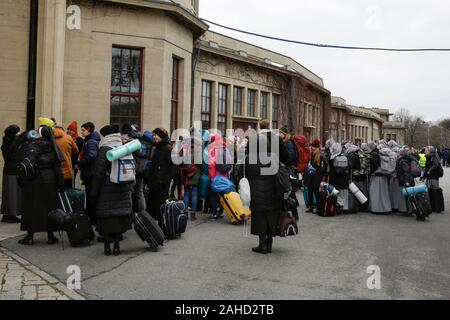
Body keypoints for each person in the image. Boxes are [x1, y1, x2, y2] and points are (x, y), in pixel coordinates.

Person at [18, 125, 64, 245]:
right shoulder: (53, 146)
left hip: (33, 180)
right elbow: (57, 168)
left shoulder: (31, 146)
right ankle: (50, 236)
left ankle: (30, 236)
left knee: (31, 207)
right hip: (50, 180)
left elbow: (24, 163)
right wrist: (61, 184)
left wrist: (21, 180)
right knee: (49, 208)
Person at [91, 125, 133, 256]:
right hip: (123, 186)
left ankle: (107, 245)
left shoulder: (104, 149)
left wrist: (94, 191)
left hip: (107, 186)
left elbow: (98, 172)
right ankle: (117, 245)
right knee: (119, 216)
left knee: (107, 217)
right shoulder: (124, 147)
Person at [245, 132, 280, 254]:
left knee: (259, 218)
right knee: (271, 217)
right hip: (272, 193)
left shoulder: (249, 159)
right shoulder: (274, 157)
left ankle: (262, 244)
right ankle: (269, 243)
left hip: (256, 193)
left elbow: (243, 176)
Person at [146, 128, 173, 230]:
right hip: (154, 182)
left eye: (156, 135)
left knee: (161, 206)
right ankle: (156, 227)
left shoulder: (167, 148)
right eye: (153, 135)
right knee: (154, 206)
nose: (154, 137)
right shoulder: (157, 147)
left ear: (161, 136)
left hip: (161, 184)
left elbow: (173, 167)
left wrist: (164, 181)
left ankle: (163, 227)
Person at [77, 122, 101, 226]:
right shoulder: (91, 140)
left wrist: (80, 163)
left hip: (90, 173)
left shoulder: (90, 142)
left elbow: (92, 156)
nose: (81, 132)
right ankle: (93, 217)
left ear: (89, 129)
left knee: (91, 197)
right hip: (91, 172)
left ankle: (92, 219)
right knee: (92, 197)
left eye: (83, 130)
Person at [1, 125, 22, 223]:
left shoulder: (6, 142)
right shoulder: (13, 142)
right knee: (13, 193)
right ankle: (12, 214)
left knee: (7, 193)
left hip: (7, 170)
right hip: (13, 170)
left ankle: (6, 213)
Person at [207, 133, 231, 220]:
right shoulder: (225, 148)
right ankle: (220, 212)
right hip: (224, 175)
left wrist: (212, 177)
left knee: (213, 195)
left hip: (215, 175)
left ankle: (215, 213)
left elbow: (211, 164)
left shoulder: (213, 149)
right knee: (222, 194)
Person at [180, 136, 202, 221]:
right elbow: (200, 163)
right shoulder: (198, 149)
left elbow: (180, 160)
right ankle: (193, 214)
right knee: (194, 194)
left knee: (186, 194)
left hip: (186, 172)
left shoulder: (184, 148)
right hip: (195, 171)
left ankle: (185, 213)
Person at [368, 142, 392, 214]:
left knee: (375, 192)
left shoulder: (375, 154)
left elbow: (375, 165)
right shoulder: (385, 155)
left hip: (376, 176)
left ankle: (376, 208)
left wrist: (370, 171)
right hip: (383, 175)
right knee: (384, 193)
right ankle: (385, 208)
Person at [329, 142, 350, 213]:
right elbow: (348, 167)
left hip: (335, 179)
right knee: (344, 194)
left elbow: (330, 170)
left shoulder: (332, 158)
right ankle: (345, 208)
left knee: (336, 193)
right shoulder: (345, 157)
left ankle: (340, 205)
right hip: (344, 179)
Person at [304, 139, 322, 214]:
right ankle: (311, 207)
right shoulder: (310, 154)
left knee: (316, 192)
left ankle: (317, 207)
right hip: (310, 175)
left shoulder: (320, 155)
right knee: (310, 191)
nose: (311, 147)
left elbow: (323, 166)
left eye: (313, 146)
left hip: (316, 176)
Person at [396, 147, 416, 214]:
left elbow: (406, 171)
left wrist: (406, 181)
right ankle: (409, 209)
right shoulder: (407, 159)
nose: (397, 153)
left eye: (398, 152)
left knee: (407, 196)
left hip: (405, 180)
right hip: (409, 179)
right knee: (409, 195)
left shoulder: (402, 161)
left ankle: (408, 210)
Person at [66, 121, 84, 186]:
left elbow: (80, 153)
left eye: (71, 130)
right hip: (66, 163)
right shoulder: (64, 138)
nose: (69, 131)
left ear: (75, 131)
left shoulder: (80, 140)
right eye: (68, 129)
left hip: (74, 164)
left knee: (72, 181)